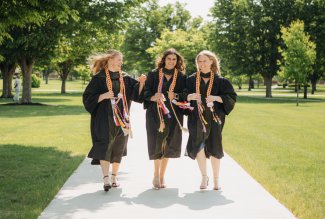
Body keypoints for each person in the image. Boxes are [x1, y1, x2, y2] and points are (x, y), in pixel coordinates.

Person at [83, 49, 146, 191]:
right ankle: (105, 178)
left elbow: (137, 95)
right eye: (119, 59)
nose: (121, 62)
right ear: (110, 60)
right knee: (104, 145)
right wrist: (104, 95)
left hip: (122, 118)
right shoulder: (99, 78)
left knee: (119, 147)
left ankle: (114, 176)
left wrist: (141, 83)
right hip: (103, 119)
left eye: (121, 60)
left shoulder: (125, 78)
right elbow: (87, 98)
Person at [186, 50, 237, 190]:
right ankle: (204, 177)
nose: (202, 64)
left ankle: (216, 180)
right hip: (196, 118)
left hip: (215, 118)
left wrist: (216, 98)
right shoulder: (190, 80)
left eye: (204, 61)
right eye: (199, 62)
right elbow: (182, 95)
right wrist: (190, 96)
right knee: (198, 146)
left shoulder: (221, 81)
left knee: (215, 146)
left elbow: (231, 98)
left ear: (211, 62)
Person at [143, 48, 188, 189]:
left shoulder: (181, 77)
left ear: (177, 61)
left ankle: (162, 176)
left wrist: (175, 95)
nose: (171, 61)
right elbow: (146, 91)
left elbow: (185, 93)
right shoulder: (154, 74)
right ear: (164, 60)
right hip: (155, 114)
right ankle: (155, 175)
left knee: (168, 144)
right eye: (169, 59)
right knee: (157, 142)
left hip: (174, 115)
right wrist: (153, 96)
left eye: (174, 59)